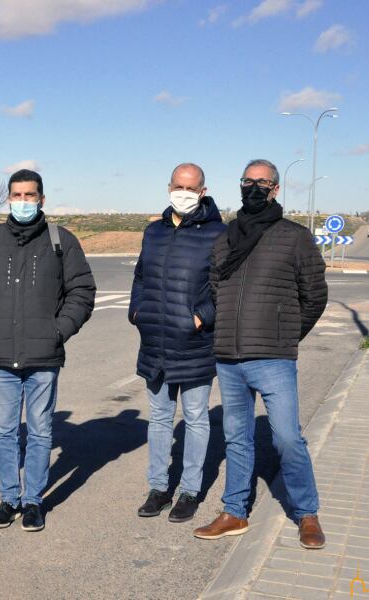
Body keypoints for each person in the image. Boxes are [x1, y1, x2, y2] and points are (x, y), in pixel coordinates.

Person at [194, 159, 328, 549]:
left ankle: (306, 513)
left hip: (273, 357)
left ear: (275, 189)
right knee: (237, 437)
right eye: (247, 181)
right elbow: (216, 286)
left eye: (262, 182)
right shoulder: (227, 237)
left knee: (287, 437)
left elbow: (314, 296)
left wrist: (286, 334)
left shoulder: (294, 237)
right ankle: (235, 511)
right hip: (229, 357)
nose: (253, 187)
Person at [0, 169, 96, 532]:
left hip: (43, 357)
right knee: (5, 431)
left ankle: (33, 500)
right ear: (8, 198)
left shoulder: (61, 240)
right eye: (17, 195)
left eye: (30, 195)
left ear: (42, 198)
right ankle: (9, 498)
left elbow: (82, 291)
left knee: (40, 432)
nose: (23, 201)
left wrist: (59, 331)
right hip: (0, 356)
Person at [129, 163, 225, 523]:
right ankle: (158, 488)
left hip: (195, 341)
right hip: (156, 340)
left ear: (203, 191)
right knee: (159, 418)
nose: (183, 193)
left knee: (197, 417)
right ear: (169, 186)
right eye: (178, 186)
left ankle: (189, 491)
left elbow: (224, 287)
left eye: (191, 187)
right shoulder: (153, 232)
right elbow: (141, 276)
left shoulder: (219, 234)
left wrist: (200, 317)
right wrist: (137, 310)